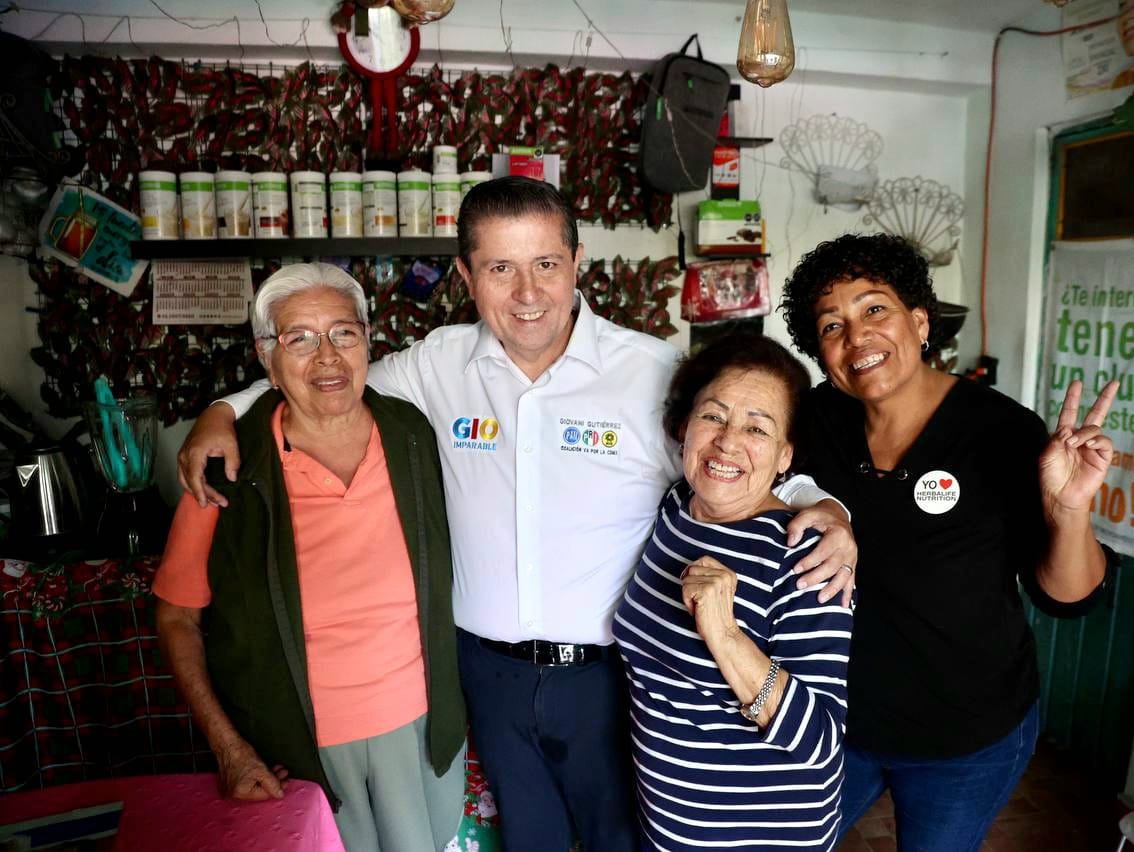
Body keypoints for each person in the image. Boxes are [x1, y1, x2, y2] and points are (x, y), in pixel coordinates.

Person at [175, 176, 857, 852]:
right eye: (501, 268)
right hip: (487, 676)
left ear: (577, 262)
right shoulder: (437, 364)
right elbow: (327, 379)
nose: (528, 293)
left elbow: (728, 454)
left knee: (620, 841)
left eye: (546, 265)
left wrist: (823, 506)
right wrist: (222, 412)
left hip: (611, 681)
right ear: (467, 276)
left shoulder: (651, 370)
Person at [778, 233, 1117, 852]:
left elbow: (1068, 598)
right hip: (839, 722)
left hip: (966, 738)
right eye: (832, 325)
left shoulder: (1002, 432)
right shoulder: (814, 422)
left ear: (919, 320)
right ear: (818, 350)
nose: (857, 337)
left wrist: (1070, 510)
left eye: (874, 309)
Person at [153, 263, 466, 852]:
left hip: (421, 729)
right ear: (266, 358)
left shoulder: (414, 434)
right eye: (299, 339)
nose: (327, 356)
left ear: (367, 340)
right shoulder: (226, 467)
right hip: (296, 747)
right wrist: (230, 749)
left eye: (343, 333)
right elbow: (177, 618)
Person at [613, 334, 854, 852]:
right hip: (667, 828)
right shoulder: (675, 507)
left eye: (756, 428)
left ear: (785, 455)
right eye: (713, 416)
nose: (727, 442)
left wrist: (724, 635)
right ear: (685, 425)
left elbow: (820, 742)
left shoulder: (804, 554)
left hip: (764, 837)